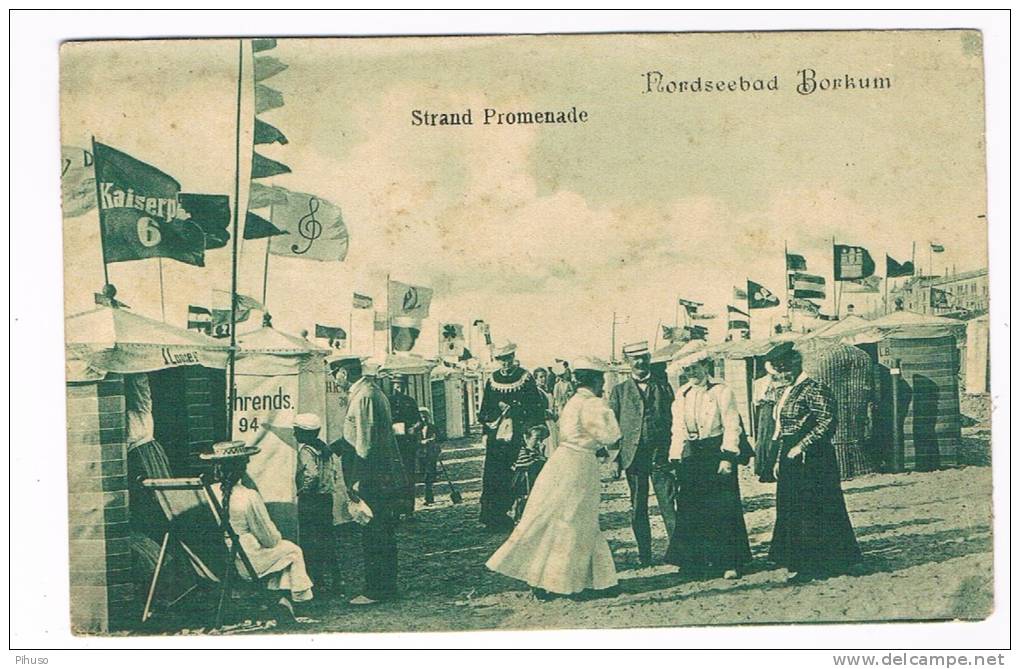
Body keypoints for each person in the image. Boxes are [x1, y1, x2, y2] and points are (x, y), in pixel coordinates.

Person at [486, 357, 621, 600]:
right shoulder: (593, 404)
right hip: (579, 465)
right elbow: (611, 435)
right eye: (601, 380)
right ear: (595, 380)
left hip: (561, 461)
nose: (602, 385)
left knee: (552, 517)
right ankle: (570, 583)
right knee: (577, 521)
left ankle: (544, 578)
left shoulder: (572, 403)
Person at [764, 342, 862, 583]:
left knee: (813, 509)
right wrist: (780, 458)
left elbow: (827, 421)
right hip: (790, 455)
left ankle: (817, 564)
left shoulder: (813, 389)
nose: (780, 376)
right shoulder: (787, 391)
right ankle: (797, 559)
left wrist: (802, 446)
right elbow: (784, 428)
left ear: (794, 367)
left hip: (814, 458)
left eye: (783, 371)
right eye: (777, 372)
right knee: (792, 508)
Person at [664, 346, 751, 580]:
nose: (691, 372)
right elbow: (678, 429)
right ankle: (694, 562)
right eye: (686, 369)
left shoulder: (722, 391)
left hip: (717, 452)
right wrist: (675, 456)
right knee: (692, 508)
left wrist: (728, 457)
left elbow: (733, 424)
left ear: (705, 366)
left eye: (694, 367)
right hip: (693, 456)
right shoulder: (682, 393)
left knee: (723, 507)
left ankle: (729, 562)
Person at [203, 441, 313, 620]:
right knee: (291, 550)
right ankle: (291, 599)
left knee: (281, 550)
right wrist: (276, 537)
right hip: (243, 559)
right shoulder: (248, 496)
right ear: (242, 467)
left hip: (213, 557)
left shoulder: (206, 493)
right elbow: (269, 539)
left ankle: (278, 599)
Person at [336, 357, 408, 605]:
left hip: (372, 477)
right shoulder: (370, 391)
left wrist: (357, 480)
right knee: (382, 532)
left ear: (344, 373)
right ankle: (386, 586)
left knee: (374, 533)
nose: (335, 380)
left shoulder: (364, 396)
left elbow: (364, 443)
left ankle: (377, 590)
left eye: (336, 374)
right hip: (380, 475)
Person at [608, 340, 676, 567]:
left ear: (649, 360)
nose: (640, 362)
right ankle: (644, 555)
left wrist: (673, 451)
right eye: (635, 359)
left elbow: (673, 420)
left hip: (660, 455)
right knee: (638, 506)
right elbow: (613, 428)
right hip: (633, 456)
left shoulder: (663, 387)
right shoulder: (619, 392)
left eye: (644, 358)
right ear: (628, 363)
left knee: (668, 503)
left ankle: (679, 553)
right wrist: (615, 459)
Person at [477, 341, 548, 532]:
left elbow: (535, 406)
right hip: (497, 437)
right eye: (501, 360)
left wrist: (526, 422)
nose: (505, 364)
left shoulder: (524, 378)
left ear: (513, 357)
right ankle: (494, 517)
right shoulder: (492, 379)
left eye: (508, 359)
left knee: (517, 473)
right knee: (494, 475)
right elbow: (485, 408)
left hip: (519, 435)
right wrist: (488, 427)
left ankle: (520, 515)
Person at [293, 413, 337, 594]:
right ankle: (336, 579)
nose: (294, 435)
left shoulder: (306, 451)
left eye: (296, 431)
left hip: (312, 500)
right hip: (326, 498)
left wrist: (303, 490)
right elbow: (332, 472)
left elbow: (312, 474)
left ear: (304, 433)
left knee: (310, 541)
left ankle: (316, 580)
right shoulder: (324, 448)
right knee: (327, 539)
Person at [387, 375, 422, 517]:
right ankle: (395, 511)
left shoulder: (410, 402)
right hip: (392, 446)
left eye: (400, 385)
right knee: (393, 478)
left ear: (405, 386)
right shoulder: (387, 402)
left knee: (408, 478)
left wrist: (414, 428)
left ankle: (409, 511)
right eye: (395, 385)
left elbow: (419, 422)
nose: (398, 388)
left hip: (407, 445)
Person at [509, 423, 550, 523]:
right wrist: (540, 460)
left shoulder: (537, 451)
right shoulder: (524, 451)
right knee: (524, 501)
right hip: (524, 481)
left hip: (535, 481)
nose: (539, 442)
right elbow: (524, 464)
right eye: (536, 439)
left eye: (541, 439)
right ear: (526, 438)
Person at [414, 407, 440, 506]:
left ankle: (429, 496)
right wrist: (421, 442)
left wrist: (434, 440)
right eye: (422, 417)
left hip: (431, 454)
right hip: (420, 454)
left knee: (429, 475)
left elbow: (441, 438)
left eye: (425, 417)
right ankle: (426, 495)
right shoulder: (416, 429)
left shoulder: (433, 427)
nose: (424, 419)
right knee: (423, 475)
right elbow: (413, 442)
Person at [533, 367, 560, 456]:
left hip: (551, 422)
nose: (543, 379)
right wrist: (548, 412)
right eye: (541, 377)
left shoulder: (547, 390)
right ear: (535, 378)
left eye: (545, 377)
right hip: (544, 422)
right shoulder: (536, 392)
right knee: (547, 447)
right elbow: (536, 409)